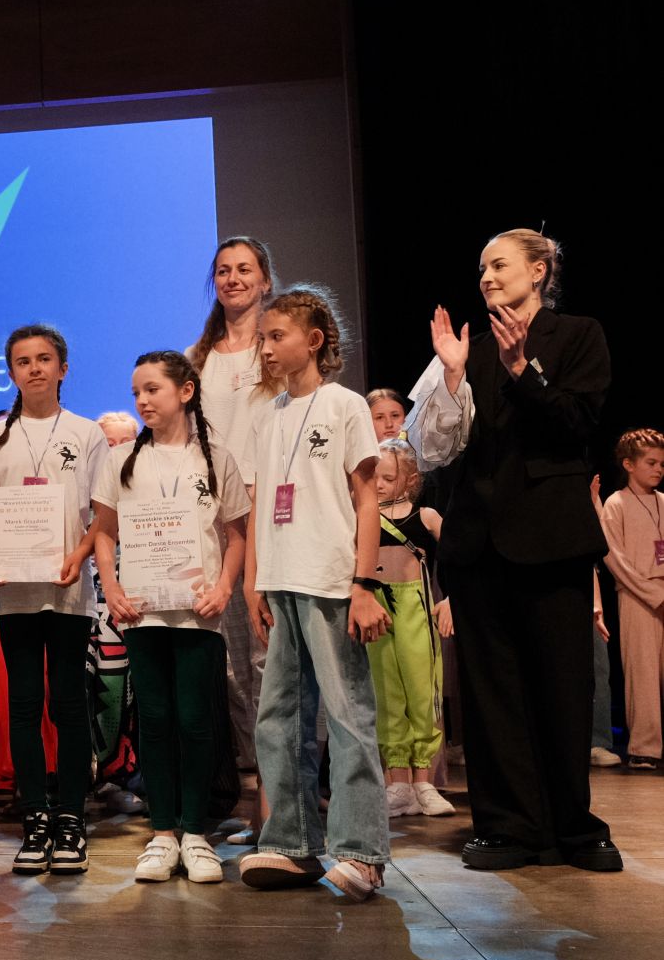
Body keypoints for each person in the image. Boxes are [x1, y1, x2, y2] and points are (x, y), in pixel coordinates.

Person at [408, 228, 620, 872]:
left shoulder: (577, 334)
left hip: (551, 538)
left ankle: (573, 828)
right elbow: (431, 450)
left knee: (562, 685)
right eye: (481, 268)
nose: (487, 277)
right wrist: (451, 376)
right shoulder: (466, 348)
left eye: (499, 265)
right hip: (480, 544)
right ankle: (506, 826)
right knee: (493, 692)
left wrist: (523, 371)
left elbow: (577, 423)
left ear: (539, 269)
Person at [237, 286, 390, 902]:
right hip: (280, 580)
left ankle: (361, 852)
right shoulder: (266, 415)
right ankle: (292, 841)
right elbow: (259, 507)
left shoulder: (345, 405)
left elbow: (367, 500)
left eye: (277, 336)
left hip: (329, 579)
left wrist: (364, 582)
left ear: (314, 340)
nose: (267, 349)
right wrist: (253, 581)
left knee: (347, 715)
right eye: (263, 339)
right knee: (277, 719)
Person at [94, 350, 249, 886]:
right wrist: (113, 588)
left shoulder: (216, 458)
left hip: (198, 612)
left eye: (152, 389)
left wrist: (225, 587)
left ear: (185, 392)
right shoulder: (121, 460)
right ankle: (162, 832)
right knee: (155, 720)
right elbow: (105, 532)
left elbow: (236, 533)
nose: (142, 400)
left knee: (196, 720)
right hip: (142, 613)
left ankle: (196, 833)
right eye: (136, 392)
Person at [0, 325, 108, 875]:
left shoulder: (86, 433)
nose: (34, 369)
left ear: (63, 368)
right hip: (16, 593)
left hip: (68, 588)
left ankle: (71, 817)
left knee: (68, 705)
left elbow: (103, 511)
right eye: (23, 361)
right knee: (24, 706)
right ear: (10, 372)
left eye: (44, 359)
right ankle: (35, 819)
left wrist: (80, 554)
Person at [188, 238, 282, 786]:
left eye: (245, 269)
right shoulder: (197, 358)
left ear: (265, 279)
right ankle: (252, 776)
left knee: (271, 650)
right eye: (223, 270)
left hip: (273, 516)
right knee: (228, 656)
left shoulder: (279, 348)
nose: (233, 279)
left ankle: (284, 781)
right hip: (218, 521)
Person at [367, 439, 456, 818]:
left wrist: (451, 599)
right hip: (376, 609)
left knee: (422, 691)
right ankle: (398, 783)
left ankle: (423, 781)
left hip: (416, 608)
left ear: (411, 480)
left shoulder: (426, 517)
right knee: (386, 693)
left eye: (389, 478)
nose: (380, 484)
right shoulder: (363, 515)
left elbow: (459, 555)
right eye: (375, 476)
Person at [598, 429, 664, 770]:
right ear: (629, 464)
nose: (658, 469)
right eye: (651, 463)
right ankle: (645, 747)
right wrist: (653, 594)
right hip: (638, 595)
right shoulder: (616, 503)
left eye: (661, 464)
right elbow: (614, 558)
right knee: (643, 673)